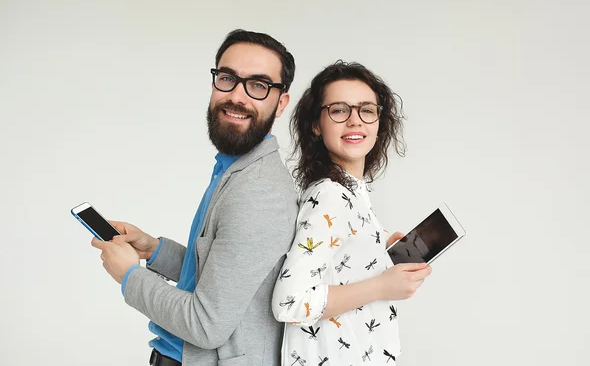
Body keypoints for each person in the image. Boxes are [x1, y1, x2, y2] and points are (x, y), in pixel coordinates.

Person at [91, 29, 299, 366]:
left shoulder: (258, 193)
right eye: (228, 78)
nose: (237, 96)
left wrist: (129, 275)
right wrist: (153, 250)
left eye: (259, 85)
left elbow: (205, 325)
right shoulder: (235, 167)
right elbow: (222, 274)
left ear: (280, 103)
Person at [272, 61, 432, 365]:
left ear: (379, 121)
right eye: (339, 110)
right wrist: (383, 285)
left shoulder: (350, 191)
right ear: (316, 125)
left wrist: (376, 247)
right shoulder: (330, 195)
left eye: (366, 110)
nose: (355, 121)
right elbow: (289, 302)